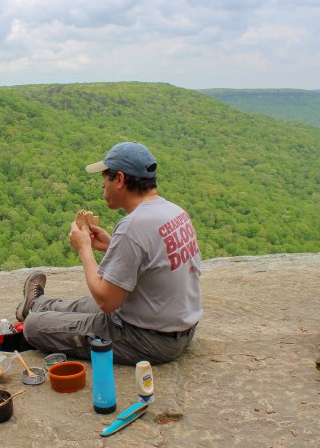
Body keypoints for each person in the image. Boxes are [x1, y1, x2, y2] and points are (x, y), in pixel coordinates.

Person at [16, 142, 202, 365]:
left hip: (147, 339)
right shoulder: (174, 212)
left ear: (120, 180)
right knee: (82, 306)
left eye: (105, 177)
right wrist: (112, 246)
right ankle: (35, 304)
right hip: (178, 327)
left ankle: (34, 316)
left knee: (34, 327)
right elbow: (151, 259)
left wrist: (84, 249)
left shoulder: (132, 226)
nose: (102, 184)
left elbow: (106, 302)